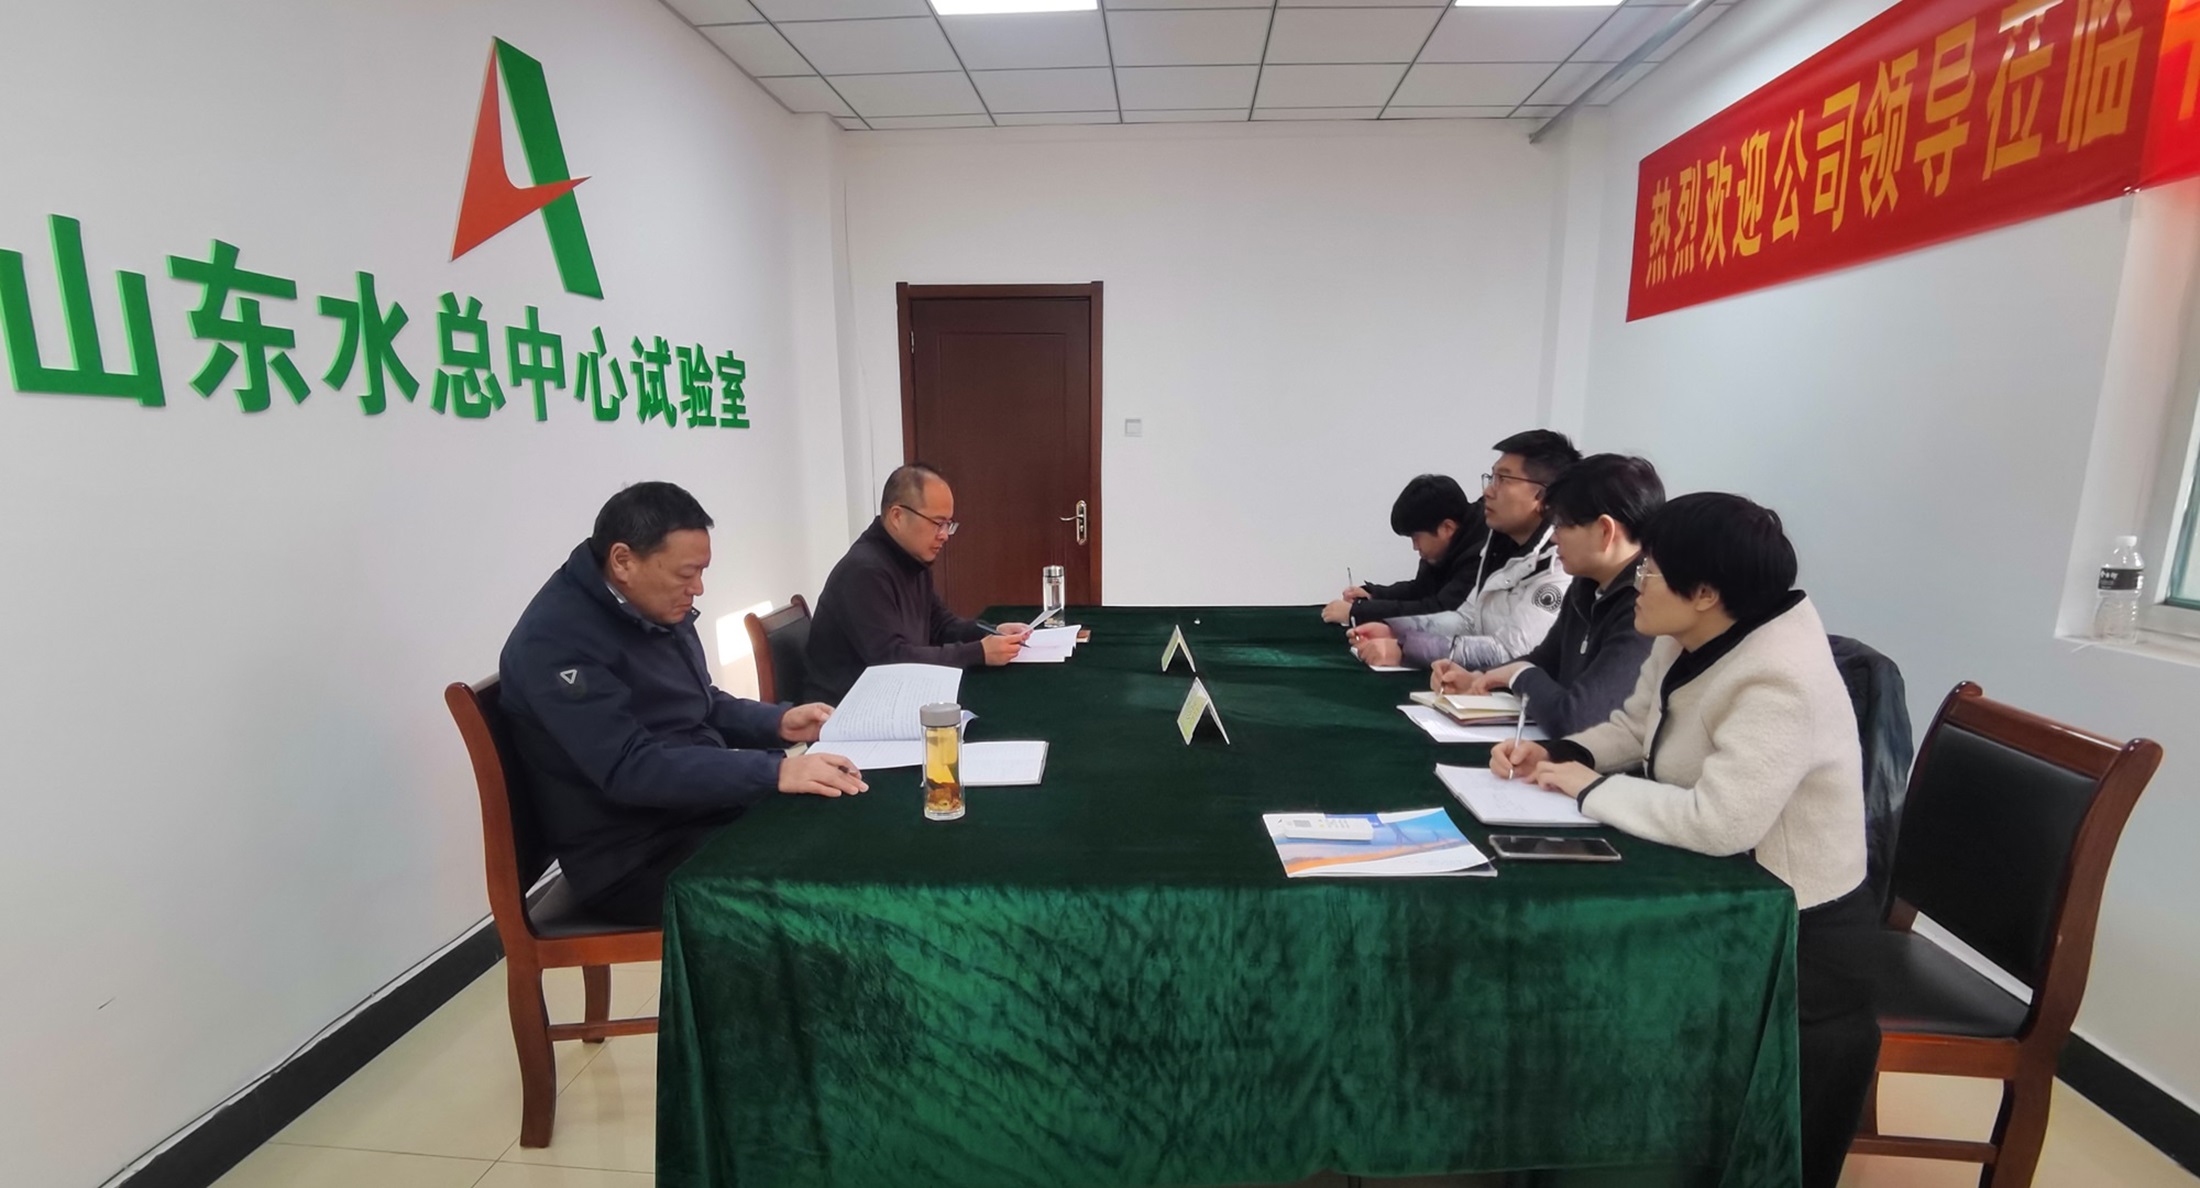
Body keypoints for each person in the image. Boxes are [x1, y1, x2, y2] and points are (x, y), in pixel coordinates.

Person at [1488, 492, 1877, 1188]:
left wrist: (1588, 789)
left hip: (1792, 927)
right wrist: (1560, 755)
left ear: (1705, 594)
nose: (1637, 582)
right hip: (1715, 886)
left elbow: (1719, 822)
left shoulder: (1780, 677)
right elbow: (1633, 729)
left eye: (1651, 571)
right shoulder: (1682, 635)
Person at [499, 482, 868, 927]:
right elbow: (629, 767)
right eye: (685, 574)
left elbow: (700, 703)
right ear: (623, 561)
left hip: (696, 814)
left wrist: (781, 723)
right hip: (636, 857)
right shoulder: (555, 641)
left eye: (701, 572)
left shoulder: (650, 605)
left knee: (841, 824)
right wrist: (776, 771)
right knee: (822, 887)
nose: (698, 588)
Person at [1430, 453, 1663, 738]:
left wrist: (1517, 675)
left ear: (1605, 531)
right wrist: (1481, 679)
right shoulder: (1586, 585)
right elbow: (1546, 660)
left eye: (1563, 524)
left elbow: (1578, 719)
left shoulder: (1645, 605)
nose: (1553, 537)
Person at [1348, 430, 1578, 670]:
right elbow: (1467, 620)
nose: (1487, 491)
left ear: (1543, 495)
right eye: (1492, 478)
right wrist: (1395, 631)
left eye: (1503, 479)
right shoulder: (1498, 545)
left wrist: (1405, 649)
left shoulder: (1562, 565)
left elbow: (1512, 653)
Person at [805, 463, 1028, 703]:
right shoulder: (863, 572)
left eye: (948, 524)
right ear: (897, 516)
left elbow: (941, 626)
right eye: (937, 523)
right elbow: (892, 660)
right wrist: (979, 652)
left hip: (893, 697)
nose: (944, 535)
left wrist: (991, 632)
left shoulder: (910, 558)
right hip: (849, 710)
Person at [1320, 474, 1489, 625]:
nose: (1415, 547)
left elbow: (1440, 613)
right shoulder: (1446, 548)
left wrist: (1358, 613)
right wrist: (1374, 595)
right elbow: (1421, 590)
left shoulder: (1482, 556)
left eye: (1416, 538)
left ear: (1447, 528)